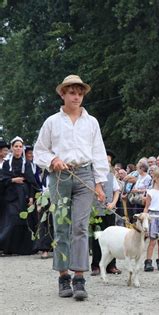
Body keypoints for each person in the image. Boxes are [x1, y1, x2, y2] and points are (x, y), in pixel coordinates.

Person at [34, 74, 109, 301]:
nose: (76, 97)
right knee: (61, 226)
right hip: (60, 176)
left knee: (80, 227)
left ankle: (79, 278)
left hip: (84, 173)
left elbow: (98, 153)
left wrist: (99, 183)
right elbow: (40, 151)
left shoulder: (92, 122)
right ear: (63, 94)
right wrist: (53, 160)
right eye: (72, 93)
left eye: (79, 93)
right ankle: (63, 276)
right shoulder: (52, 122)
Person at [0, 136, 40, 255]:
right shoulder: (7, 164)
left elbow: (32, 182)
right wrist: (13, 180)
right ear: (12, 148)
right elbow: (3, 179)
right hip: (10, 196)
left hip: (24, 195)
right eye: (16, 146)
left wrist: (32, 197)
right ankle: (4, 245)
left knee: (23, 221)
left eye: (20, 146)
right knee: (11, 218)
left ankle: (21, 249)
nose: (18, 148)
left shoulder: (26, 164)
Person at [90, 150, 122, 276]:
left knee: (111, 239)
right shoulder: (92, 176)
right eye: (105, 161)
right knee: (97, 238)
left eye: (109, 162)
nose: (107, 164)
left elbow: (117, 191)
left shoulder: (111, 176)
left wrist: (113, 203)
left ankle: (111, 265)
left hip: (109, 212)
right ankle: (96, 265)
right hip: (96, 212)